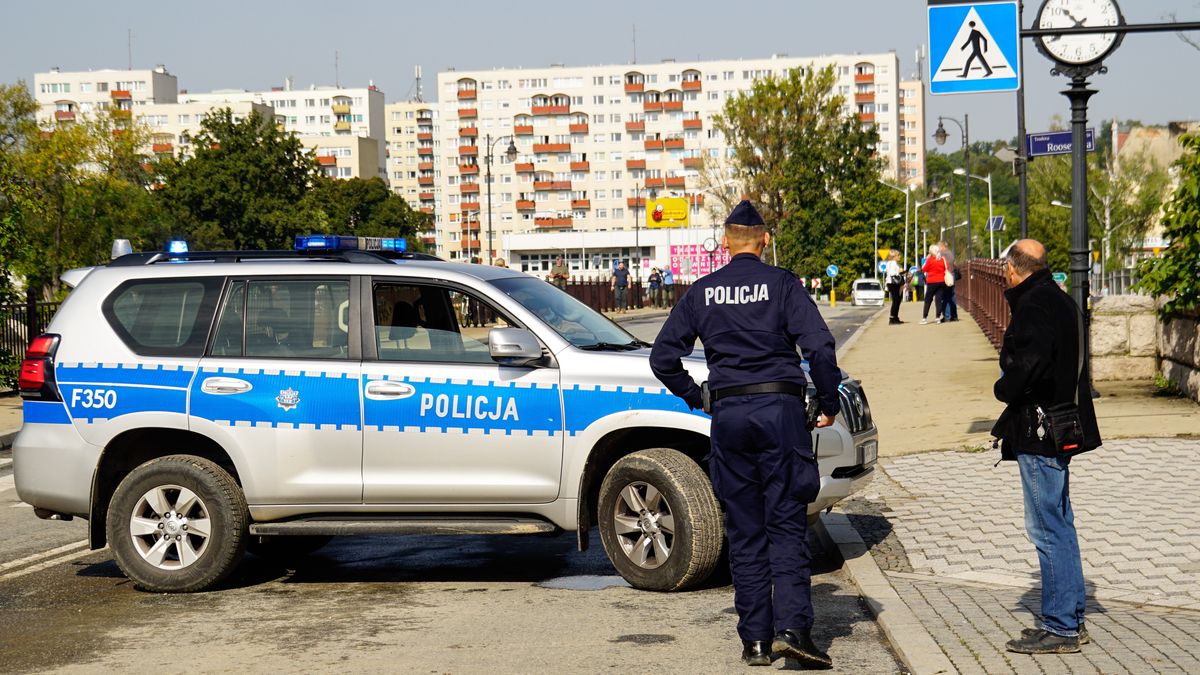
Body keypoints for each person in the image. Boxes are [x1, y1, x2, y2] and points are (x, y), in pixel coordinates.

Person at [650, 200, 840, 669]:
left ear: (725, 242)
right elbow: (818, 346)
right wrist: (829, 401)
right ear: (764, 240)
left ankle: (754, 641)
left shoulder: (703, 291)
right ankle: (792, 629)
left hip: (729, 416)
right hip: (779, 412)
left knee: (746, 530)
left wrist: (696, 397)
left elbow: (661, 358)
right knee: (786, 525)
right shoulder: (783, 285)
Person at [990, 239, 1101, 655]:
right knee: (1061, 523)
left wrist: (1004, 387)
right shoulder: (1061, 300)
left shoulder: (1033, 304)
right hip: (1062, 422)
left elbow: (1028, 364)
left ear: (1012, 270)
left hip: (1039, 429)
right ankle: (1070, 618)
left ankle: (1061, 627)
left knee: (1047, 527)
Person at [920, 243, 946, 324]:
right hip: (941, 281)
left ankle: (924, 318)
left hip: (932, 282)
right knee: (938, 299)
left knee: (928, 300)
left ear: (931, 252)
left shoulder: (930, 260)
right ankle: (938, 317)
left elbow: (923, 269)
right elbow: (946, 268)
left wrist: (926, 259)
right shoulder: (942, 259)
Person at [938, 241, 959, 322]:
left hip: (946, 277)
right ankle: (954, 315)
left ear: (942, 246)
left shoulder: (943, 254)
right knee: (952, 296)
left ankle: (947, 316)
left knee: (946, 297)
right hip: (952, 276)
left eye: (939, 247)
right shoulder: (951, 253)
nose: (938, 249)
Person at [883, 249, 905, 324]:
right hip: (893, 283)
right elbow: (893, 273)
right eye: (898, 255)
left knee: (897, 300)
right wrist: (900, 271)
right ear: (894, 256)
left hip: (891, 283)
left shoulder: (890, 263)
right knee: (896, 301)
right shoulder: (893, 263)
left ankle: (895, 317)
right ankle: (892, 318)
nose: (899, 256)